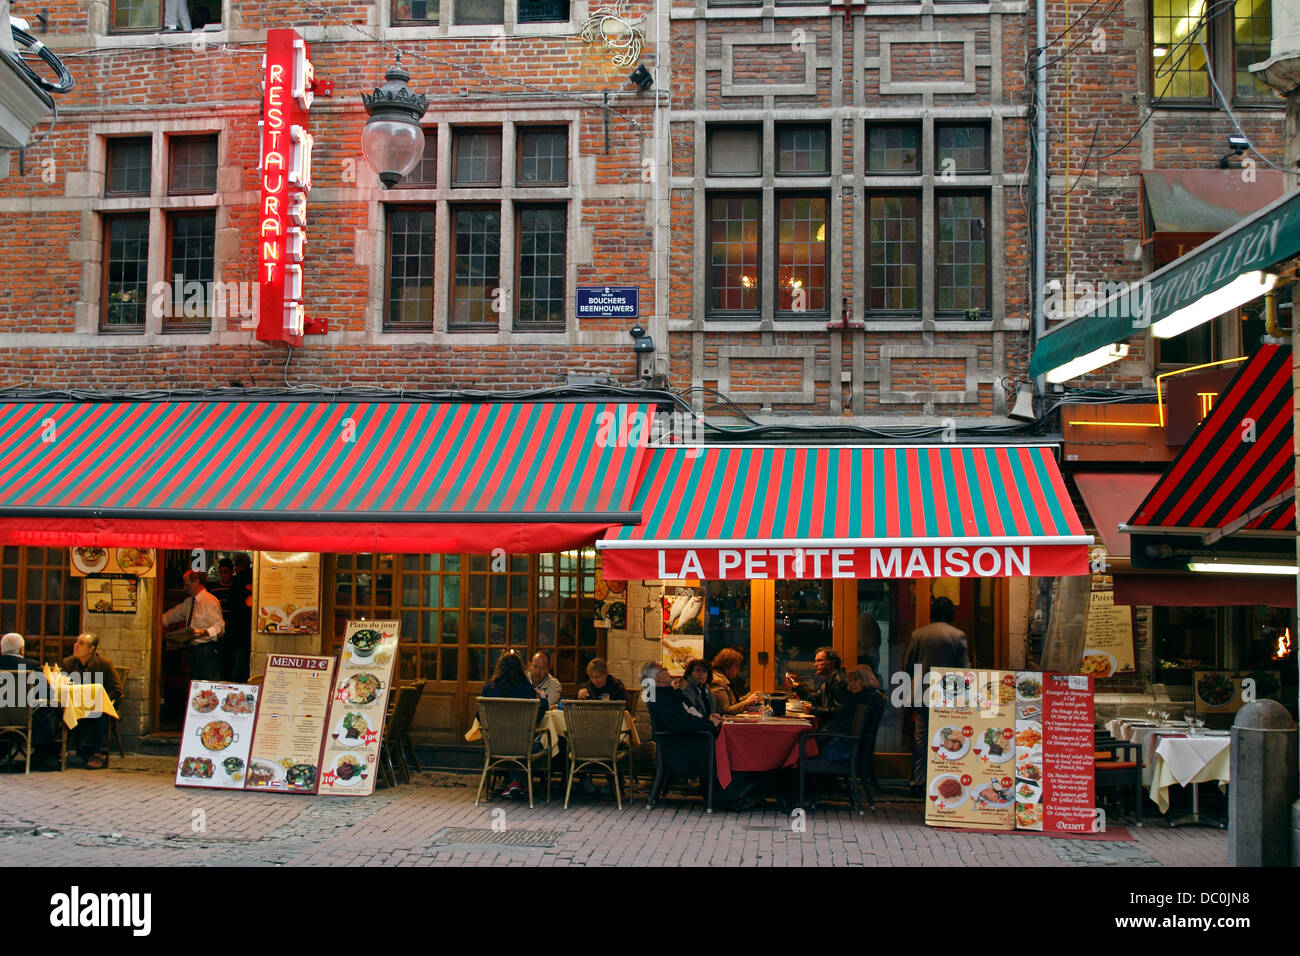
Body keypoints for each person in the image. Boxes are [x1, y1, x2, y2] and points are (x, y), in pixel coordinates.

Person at [903, 596, 970, 796]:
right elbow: (965, 669)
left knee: (922, 738)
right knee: (948, 737)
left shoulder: (918, 634)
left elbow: (908, 665)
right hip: (949, 694)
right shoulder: (958, 635)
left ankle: (918, 781)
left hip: (922, 692)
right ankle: (943, 778)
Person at [481, 652, 546, 800]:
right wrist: (543, 702)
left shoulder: (488, 689)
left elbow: (480, 717)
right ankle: (517, 781)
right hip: (522, 745)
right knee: (538, 742)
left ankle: (514, 781)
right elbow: (534, 719)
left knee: (510, 742)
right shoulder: (527, 690)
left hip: (495, 744)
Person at [643, 661, 721, 782]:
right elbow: (681, 723)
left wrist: (708, 720)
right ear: (657, 677)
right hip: (682, 749)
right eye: (663, 669)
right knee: (728, 751)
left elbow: (687, 716)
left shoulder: (668, 693)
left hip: (688, 740)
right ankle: (725, 794)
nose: (667, 670)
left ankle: (720, 792)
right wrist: (709, 724)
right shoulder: (661, 697)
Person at [60, 633, 123, 770]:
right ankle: (54, 751)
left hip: (97, 707)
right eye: (76, 642)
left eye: (81, 643)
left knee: (98, 713)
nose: (75, 646)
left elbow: (117, 690)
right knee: (53, 710)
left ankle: (98, 754)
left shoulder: (104, 664)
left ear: (91, 649)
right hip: (74, 706)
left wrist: (101, 701)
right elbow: (61, 685)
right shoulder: (68, 663)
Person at [162, 569, 225, 682]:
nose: (185, 588)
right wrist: (158, 621)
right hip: (193, 649)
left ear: (196, 581)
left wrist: (204, 632)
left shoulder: (209, 601)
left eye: (187, 585)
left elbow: (220, 627)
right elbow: (174, 614)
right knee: (195, 684)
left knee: (208, 684)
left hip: (207, 650)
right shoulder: (189, 602)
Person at [819, 667, 885, 762]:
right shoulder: (867, 697)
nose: (851, 684)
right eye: (850, 681)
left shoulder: (863, 700)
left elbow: (847, 725)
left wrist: (825, 729)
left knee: (806, 746)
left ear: (866, 680)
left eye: (855, 680)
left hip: (846, 748)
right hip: (851, 745)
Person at [210, 558, 251, 682]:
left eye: (226, 572)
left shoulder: (237, 587)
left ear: (232, 571)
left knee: (234, 660)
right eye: (221, 572)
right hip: (219, 629)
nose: (224, 575)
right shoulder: (214, 590)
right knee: (222, 660)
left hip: (235, 629)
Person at [784, 647, 850, 723]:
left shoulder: (839, 680)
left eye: (820, 661)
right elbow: (813, 699)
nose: (815, 665)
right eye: (815, 661)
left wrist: (813, 710)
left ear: (832, 663)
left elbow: (841, 712)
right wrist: (796, 685)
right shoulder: (829, 680)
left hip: (834, 731)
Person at [708, 647, 761, 716]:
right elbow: (724, 711)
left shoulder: (723, 678)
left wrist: (748, 698)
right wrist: (746, 702)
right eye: (737, 665)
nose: (739, 669)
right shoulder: (717, 681)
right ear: (727, 664)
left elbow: (733, 703)